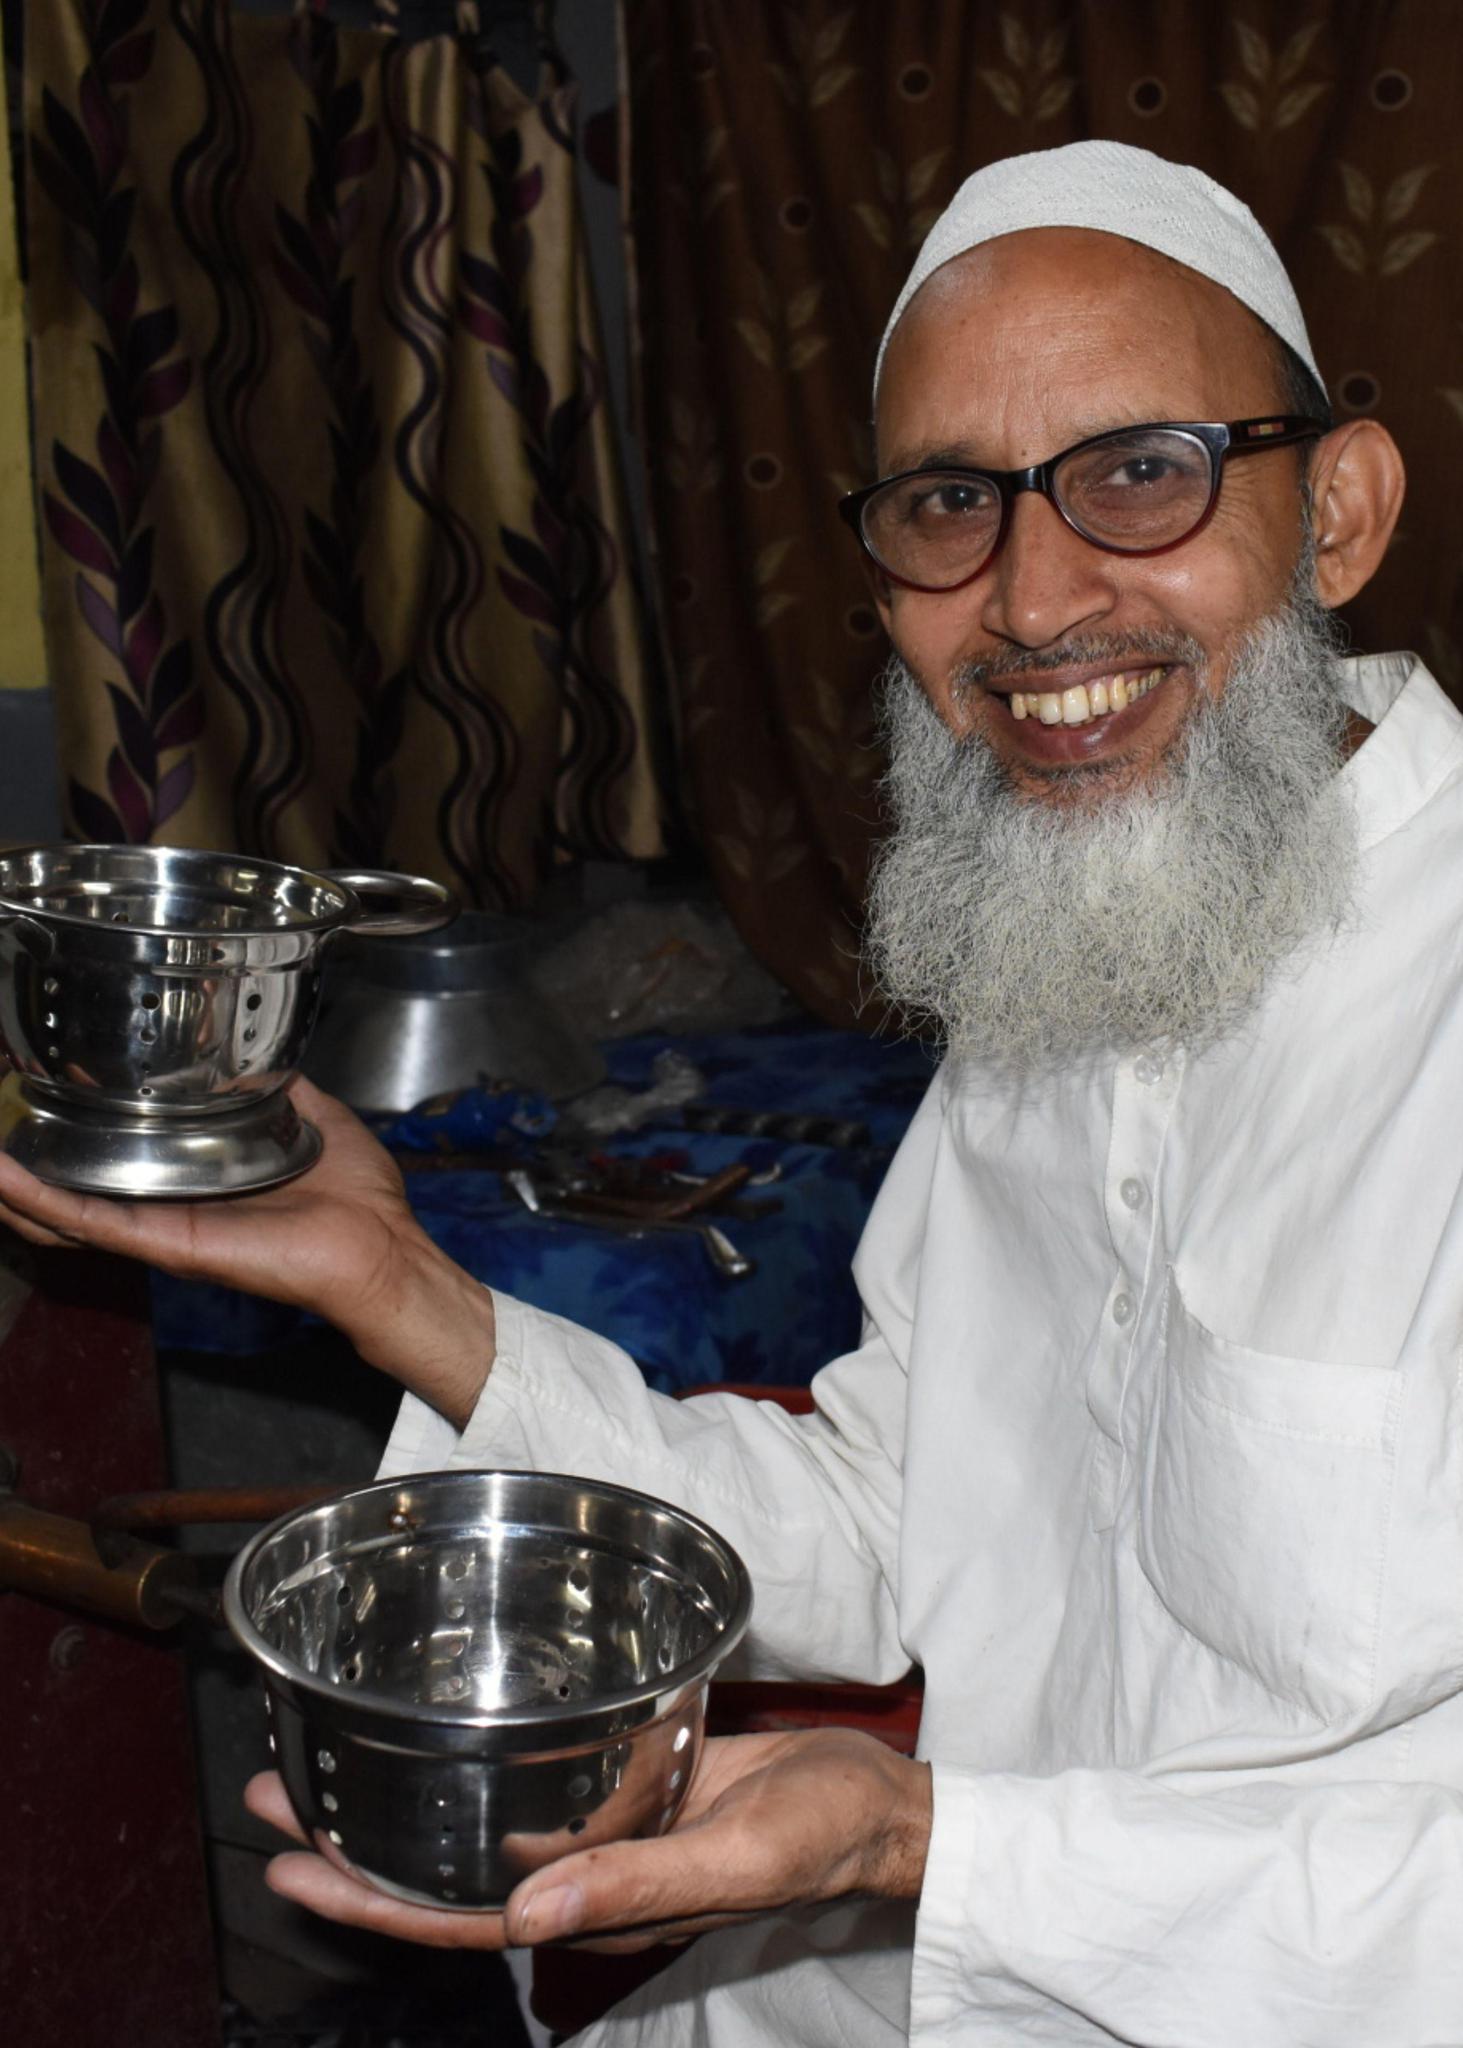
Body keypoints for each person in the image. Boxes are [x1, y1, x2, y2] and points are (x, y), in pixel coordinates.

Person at [5, 138, 1463, 2044]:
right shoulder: (1094, 923)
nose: (1031, 602)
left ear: (1337, 511)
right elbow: (890, 1515)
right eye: (949, 502)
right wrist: (407, 1293)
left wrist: (924, 1844)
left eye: (1138, 472)